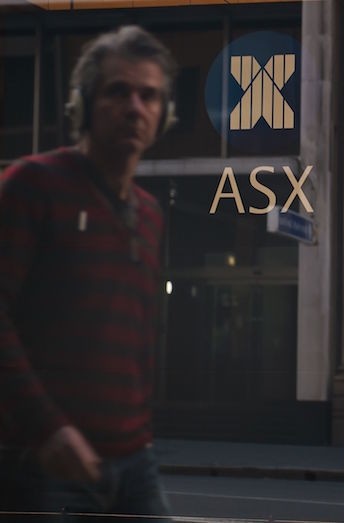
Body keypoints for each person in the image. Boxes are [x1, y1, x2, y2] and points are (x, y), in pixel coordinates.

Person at [0, 25, 175, 521]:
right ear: (83, 104)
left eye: (149, 95)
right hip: (43, 460)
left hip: (135, 459)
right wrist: (46, 427)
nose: (134, 107)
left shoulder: (149, 212)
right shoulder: (33, 185)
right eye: (118, 91)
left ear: (164, 114)